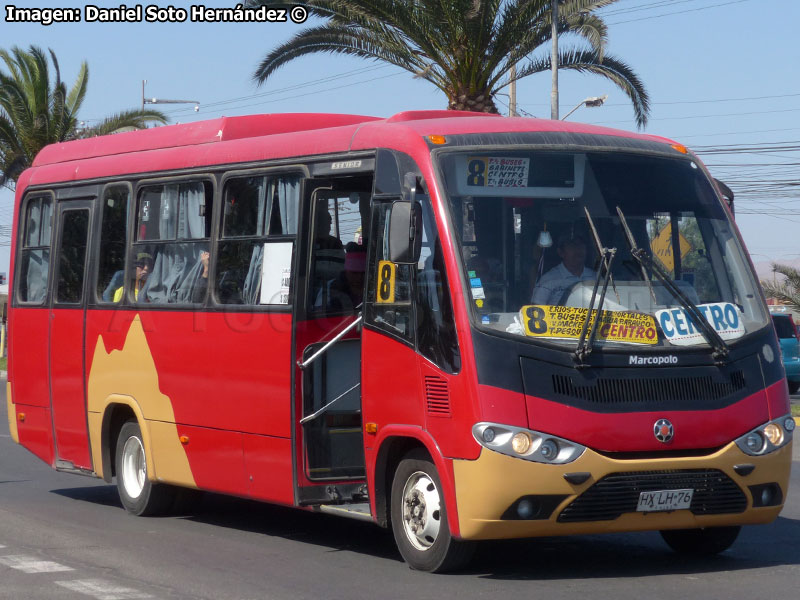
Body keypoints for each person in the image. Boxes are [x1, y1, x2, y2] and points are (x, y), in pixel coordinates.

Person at [531, 233, 595, 305]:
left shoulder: (595, 277)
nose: (578, 249)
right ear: (561, 252)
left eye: (581, 245)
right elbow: (536, 310)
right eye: (572, 246)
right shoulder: (548, 279)